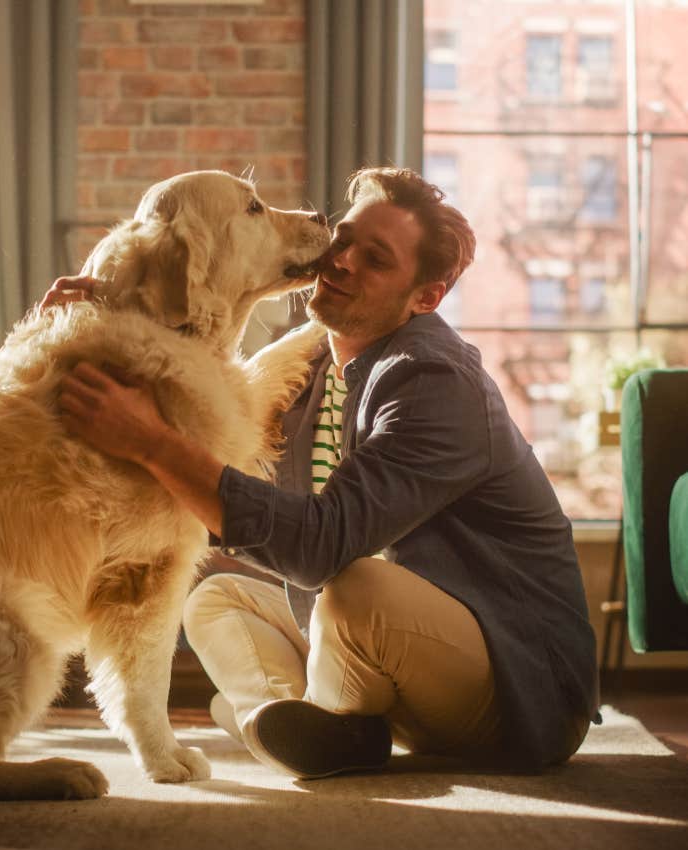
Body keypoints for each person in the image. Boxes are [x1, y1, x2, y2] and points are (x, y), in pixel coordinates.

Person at [48, 167, 600, 779]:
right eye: (345, 239)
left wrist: (151, 443)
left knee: (354, 587)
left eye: (376, 259)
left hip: (514, 691)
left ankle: (300, 719)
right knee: (217, 599)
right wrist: (104, 307)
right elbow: (198, 429)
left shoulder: (435, 382)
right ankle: (290, 721)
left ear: (426, 297)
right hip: (396, 658)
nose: (340, 262)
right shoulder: (310, 365)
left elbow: (318, 546)